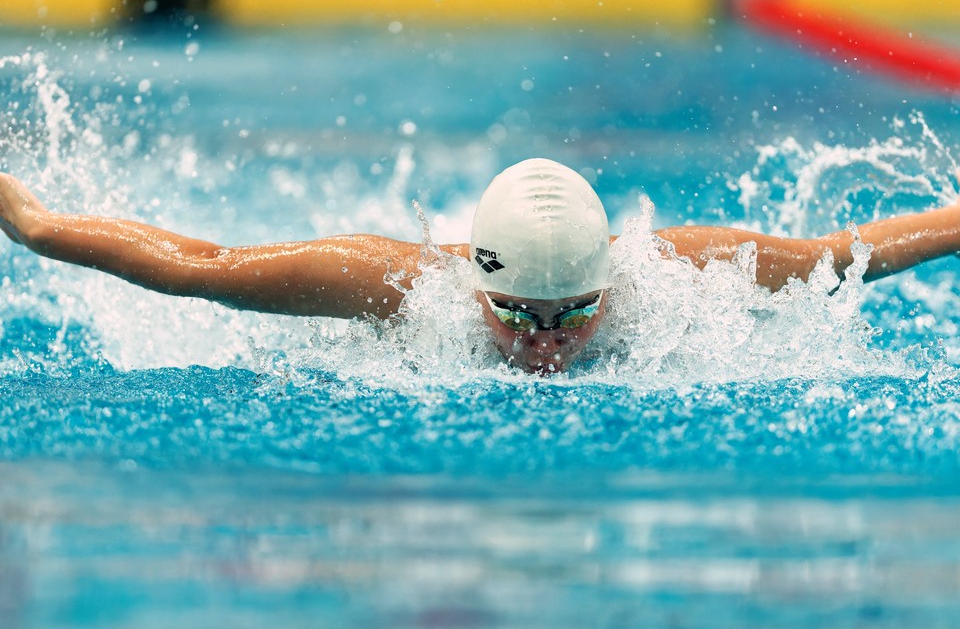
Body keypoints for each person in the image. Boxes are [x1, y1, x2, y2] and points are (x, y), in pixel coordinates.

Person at [1, 158, 959, 374]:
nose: (544, 343)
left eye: (574, 314)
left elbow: (846, 256)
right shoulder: (398, 284)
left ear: (613, 283)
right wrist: (39, 228)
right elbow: (204, 265)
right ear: (477, 284)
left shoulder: (678, 272)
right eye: (517, 315)